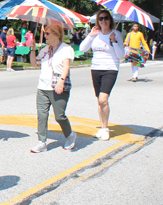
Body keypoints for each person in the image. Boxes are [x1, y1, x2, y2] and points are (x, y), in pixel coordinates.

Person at [30, 25, 77, 153]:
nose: (45, 35)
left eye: (48, 33)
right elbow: (34, 64)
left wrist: (61, 81)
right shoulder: (45, 49)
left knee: (59, 116)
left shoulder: (65, 49)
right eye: (45, 33)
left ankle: (70, 135)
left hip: (57, 86)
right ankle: (42, 142)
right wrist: (33, 49)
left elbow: (66, 67)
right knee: (42, 115)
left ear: (56, 34)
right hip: (42, 87)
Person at [79, 10, 124, 141]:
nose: (103, 21)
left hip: (110, 68)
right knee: (99, 100)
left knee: (103, 99)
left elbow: (121, 55)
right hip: (96, 69)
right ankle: (103, 128)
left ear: (110, 20)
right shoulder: (95, 34)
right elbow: (82, 49)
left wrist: (114, 41)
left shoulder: (116, 34)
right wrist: (90, 36)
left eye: (106, 18)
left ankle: (106, 129)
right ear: (98, 21)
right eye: (101, 19)